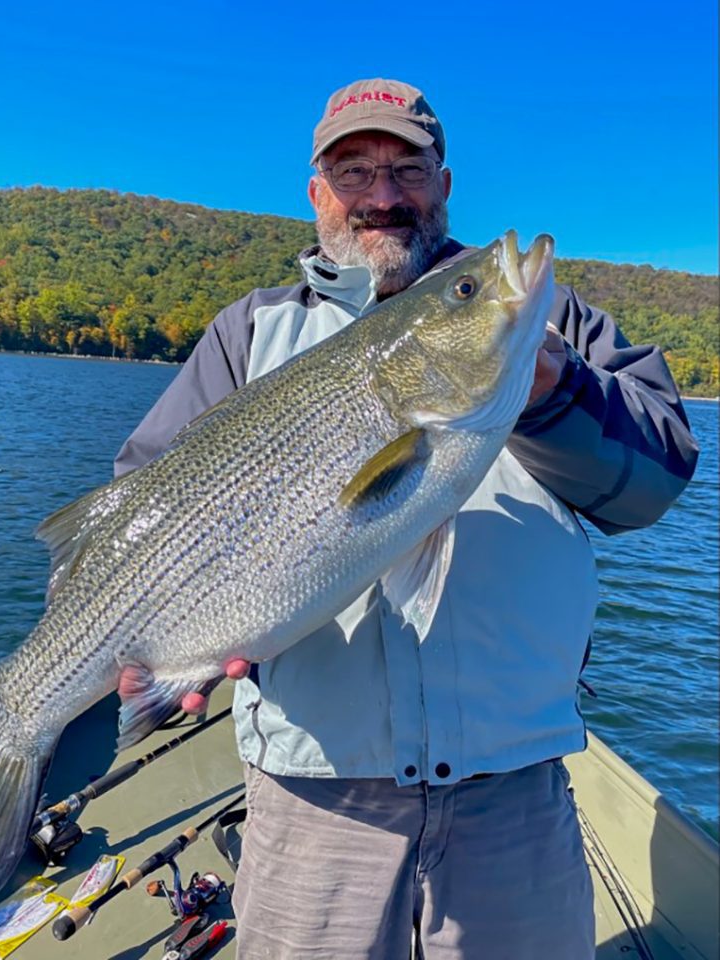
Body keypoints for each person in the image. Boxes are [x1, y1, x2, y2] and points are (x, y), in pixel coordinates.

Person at [113, 79, 699, 959]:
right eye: (354, 172)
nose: (383, 196)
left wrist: (555, 388)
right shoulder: (248, 332)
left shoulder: (549, 321)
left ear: (444, 182)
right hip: (314, 800)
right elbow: (144, 497)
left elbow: (655, 480)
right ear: (319, 195)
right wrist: (155, 641)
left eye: (406, 168)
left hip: (515, 796)